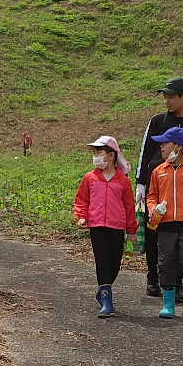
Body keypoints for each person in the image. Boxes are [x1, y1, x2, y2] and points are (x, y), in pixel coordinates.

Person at [136, 78, 183, 301]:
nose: (166, 101)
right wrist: (140, 182)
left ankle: (176, 283)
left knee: (179, 236)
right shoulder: (157, 121)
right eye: (164, 96)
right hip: (157, 185)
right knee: (154, 231)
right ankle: (153, 277)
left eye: (171, 97)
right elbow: (145, 151)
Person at [73, 136, 138, 318]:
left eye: (98, 153)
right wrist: (81, 217)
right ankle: (107, 301)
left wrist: (131, 231)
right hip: (97, 226)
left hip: (117, 227)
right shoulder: (90, 178)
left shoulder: (123, 181)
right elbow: (82, 200)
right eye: (94, 153)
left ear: (110, 156)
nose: (95, 157)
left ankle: (103, 291)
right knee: (102, 263)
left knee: (114, 264)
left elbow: (129, 207)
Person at [145, 127, 183, 318]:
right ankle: (168, 304)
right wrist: (152, 208)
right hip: (165, 226)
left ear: (178, 147)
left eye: (165, 143)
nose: (161, 147)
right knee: (166, 263)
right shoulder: (158, 172)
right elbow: (151, 195)